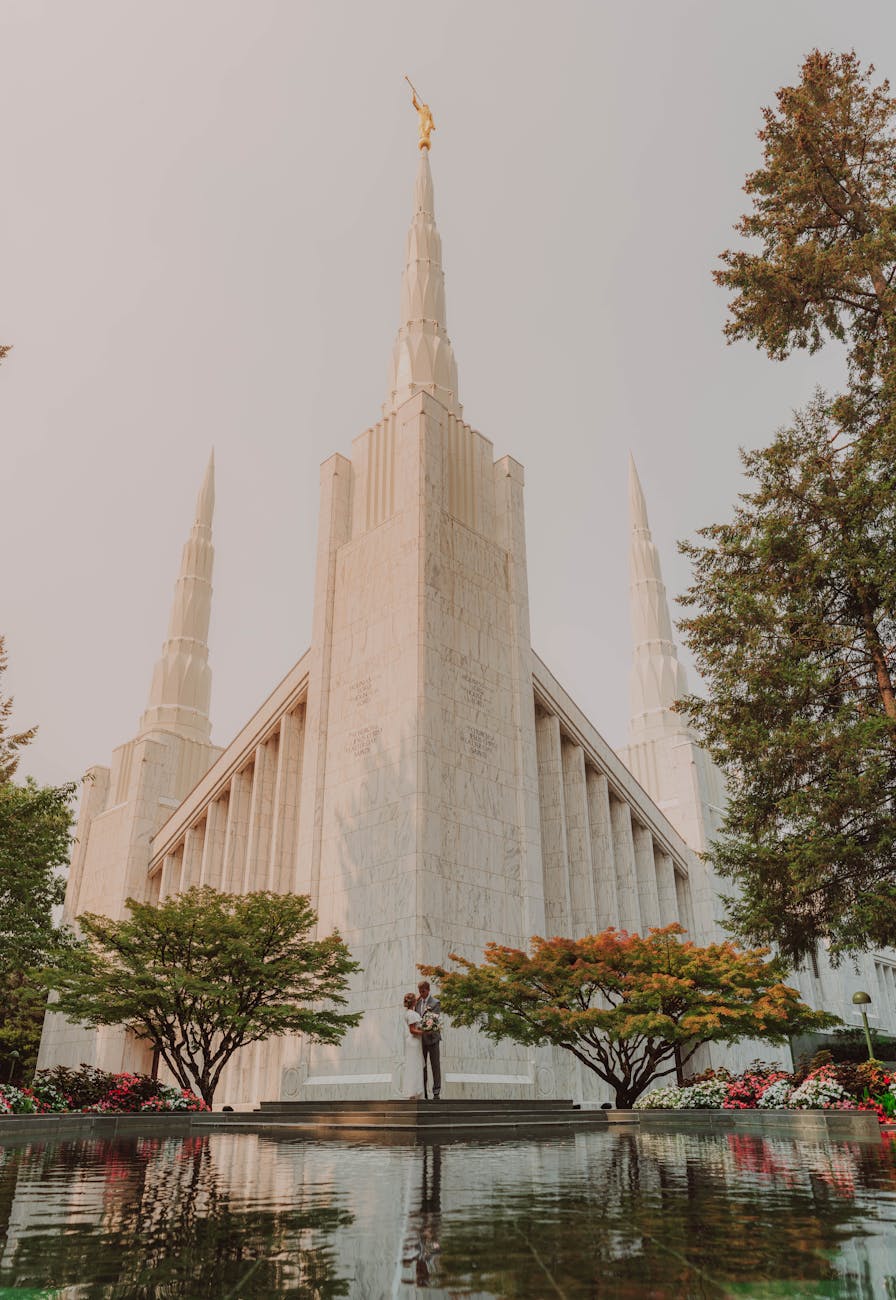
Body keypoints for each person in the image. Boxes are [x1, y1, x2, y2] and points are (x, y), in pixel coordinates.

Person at [415, 980, 441, 1100]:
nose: (421, 993)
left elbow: (432, 1020)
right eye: (419, 991)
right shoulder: (417, 1003)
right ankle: (424, 1093)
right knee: (422, 1066)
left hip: (433, 1038)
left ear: (428, 989)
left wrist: (423, 1026)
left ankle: (436, 1092)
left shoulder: (435, 1002)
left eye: (423, 991)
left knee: (435, 1065)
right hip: (421, 1040)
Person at [400, 992, 424, 1100]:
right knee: (414, 1066)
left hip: (411, 1042)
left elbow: (414, 1000)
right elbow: (412, 1030)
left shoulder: (408, 1012)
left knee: (412, 1065)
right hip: (414, 1042)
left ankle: (413, 1091)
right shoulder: (412, 1014)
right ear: (413, 1002)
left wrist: (418, 996)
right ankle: (413, 1092)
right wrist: (425, 1032)